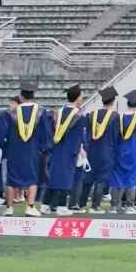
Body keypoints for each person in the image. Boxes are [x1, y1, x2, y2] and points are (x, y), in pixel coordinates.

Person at [3, 83, 53, 216]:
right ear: (33, 97)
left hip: (14, 150)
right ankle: (30, 207)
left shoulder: (11, 113)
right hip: (33, 151)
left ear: (21, 97)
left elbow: (4, 134)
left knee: (11, 178)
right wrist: (45, 149)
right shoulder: (41, 112)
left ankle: (9, 208)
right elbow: (46, 134)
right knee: (32, 178)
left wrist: (6, 149)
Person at [46, 85, 87, 214]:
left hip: (57, 147)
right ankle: (61, 206)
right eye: (81, 95)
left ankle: (46, 204)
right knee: (66, 176)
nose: (82, 98)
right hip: (70, 149)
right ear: (77, 98)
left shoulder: (58, 112)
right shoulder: (79, 115)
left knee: (54, 175)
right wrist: (81, 148)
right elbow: (80, 134)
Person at [110, 91, 136, 214]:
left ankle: (114, 206)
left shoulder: (118, 117)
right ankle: (129, 205)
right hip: (134, 153)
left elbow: (114, 137)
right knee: (132, 179)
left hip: (119, 152)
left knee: (117, 178)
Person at [86, 86, 120, 212]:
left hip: (92, 150)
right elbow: (117, 136)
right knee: (101, 179)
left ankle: (79, 203)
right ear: (113, 101)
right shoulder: (115, 117)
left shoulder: (92, 115)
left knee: (89, 178)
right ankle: (95, 206)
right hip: (107, 150)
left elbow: (88, 132)